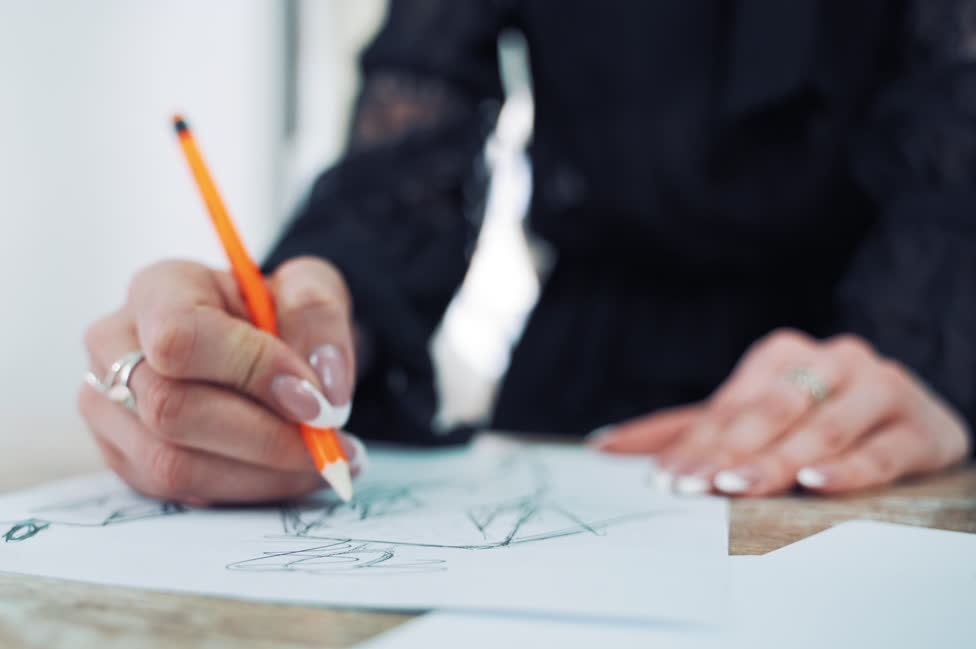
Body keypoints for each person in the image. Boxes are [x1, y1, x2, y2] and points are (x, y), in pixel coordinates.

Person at [80, 0, 973, 504]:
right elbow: (403, 169)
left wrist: (920, 354)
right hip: (575, 397)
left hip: (876, 391)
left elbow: (957, 150)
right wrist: (308, 315)